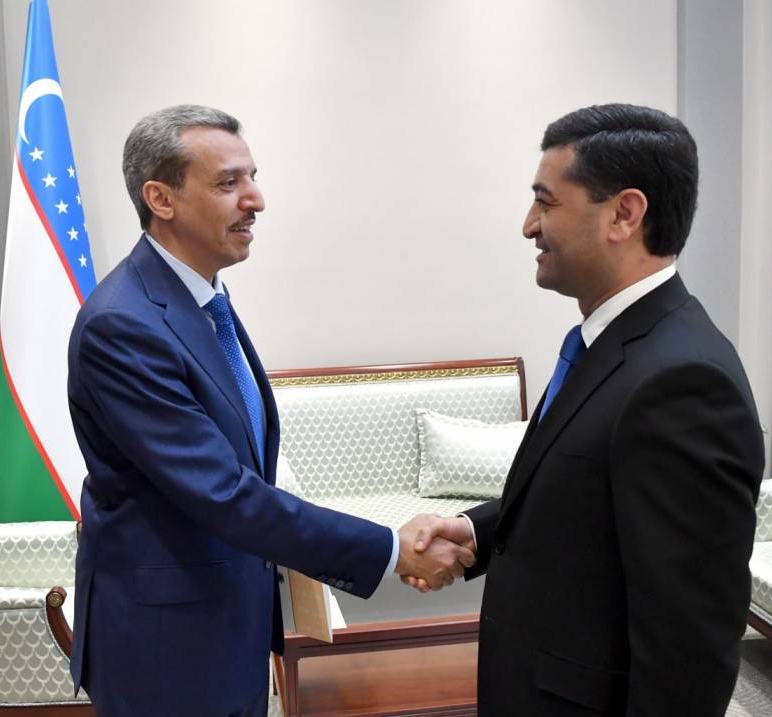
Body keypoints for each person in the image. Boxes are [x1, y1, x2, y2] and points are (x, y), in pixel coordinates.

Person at [66, 104, 474, 717]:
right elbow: (224, 492)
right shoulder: (123, 326)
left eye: (252, 177)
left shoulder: (202, 299)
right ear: (161, 198)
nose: (255, 199)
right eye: (228, 182)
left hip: (226, 620)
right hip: (165, 646)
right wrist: (391, 549)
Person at [406, 104, 765, 716]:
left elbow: (689, 651)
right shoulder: (610, 344)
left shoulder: (683, 382)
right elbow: (586, 498)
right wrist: (477, 531)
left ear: (624, 214)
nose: (529, 225)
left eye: (545, 202)